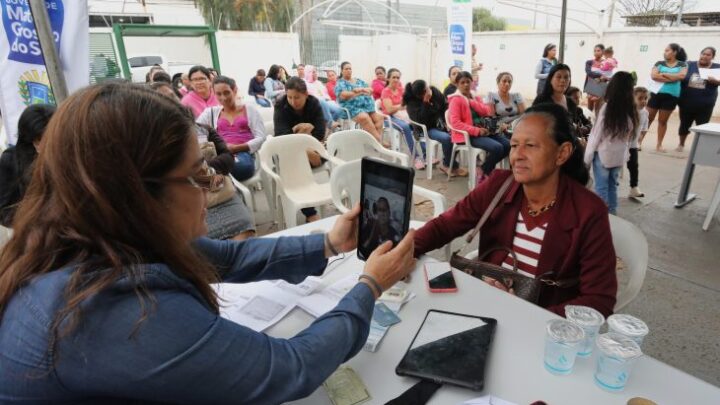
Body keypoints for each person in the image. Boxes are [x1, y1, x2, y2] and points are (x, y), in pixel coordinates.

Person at [0, 82, 418, 403]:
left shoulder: (95, 236)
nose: (213, 188)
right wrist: (369, 287)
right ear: (139, 194)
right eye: (197, 175)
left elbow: (231, 256)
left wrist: (328, 242)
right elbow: (291, 367)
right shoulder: (109, 313)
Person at [414, 102, 617, 318]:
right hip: (484, 308)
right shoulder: (499, 185)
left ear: (562, 153)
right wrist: (401, 251)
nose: (517, 155)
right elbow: (445, 226)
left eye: (530, 145)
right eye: (513, 145)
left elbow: (599, 300)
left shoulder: (588, 211)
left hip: (541, 328)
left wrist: (523, 315)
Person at [153, 82, 256, 241]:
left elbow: (227, 157)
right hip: (188, 202)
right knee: (202, 248)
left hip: (220, 194)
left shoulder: (203, 128)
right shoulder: (153, 141)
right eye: (162, 99)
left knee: (244, 232)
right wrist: (202, 174)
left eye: (172, 96)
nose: (170, 102)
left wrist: (199, 172)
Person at [273, 77, 328, 223]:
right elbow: (281, 136)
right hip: (287, 151)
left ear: (306, 95)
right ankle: (310, 213)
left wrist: (301, 136)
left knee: (310, 157)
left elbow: (320, 133)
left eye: (297, 97)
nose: (293, 101)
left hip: (311, 146)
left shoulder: (314, 103)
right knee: (295, 163)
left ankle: (309, 208)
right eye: (289, 97)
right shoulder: (280, 105)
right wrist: (304, 131)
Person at [584, 72, 638, 215]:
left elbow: (596, 136)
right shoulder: (631, 110)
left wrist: (587, 158)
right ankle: (612, 214)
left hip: (603, 156)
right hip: (618, 157)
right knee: (612, 186)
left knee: (601, 188)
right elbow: (630, 137)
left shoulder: (607, 108)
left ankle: (602, 217)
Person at [196, 76, 266, 182]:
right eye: (218, 94)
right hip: (222, 153)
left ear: (234, 90)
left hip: (243, 153)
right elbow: (195, 129)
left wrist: (236, 148)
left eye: (226, 92)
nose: (223, 98)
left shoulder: (249, 110)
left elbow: (261, 137)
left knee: (241, 167)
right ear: (214, 94)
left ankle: (217, 181)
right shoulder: (211, 112)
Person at [448, 71, 510, 184]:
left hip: (485, 130)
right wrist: (476, 131)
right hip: (468, 135)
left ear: (472, 83)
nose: (466, 85)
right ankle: (484, 171)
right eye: (462, 82)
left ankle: (484, 168)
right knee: (497, 148)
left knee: (508, 145)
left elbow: (486, 111)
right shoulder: (455, 100)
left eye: (468, 82)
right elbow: (455, 123)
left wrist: (471, 102)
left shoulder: (475, 97)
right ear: (457, 84)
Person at [0, 104, 55, 227]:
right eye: (40, 140)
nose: (46, 144)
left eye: (50, 138)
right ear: (30, 140)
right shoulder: (11, 159)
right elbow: (4, 210)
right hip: (31, 231)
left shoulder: (66, 154)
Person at [403, 79, 467, 177]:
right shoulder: (411, 102)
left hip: (439, 124)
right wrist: (425, 102)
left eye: (427, 89)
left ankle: (447, 163)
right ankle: (451, 166)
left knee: (458, 136)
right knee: (447, 138)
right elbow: (421, 121)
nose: (428, 93)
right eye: (423, 93)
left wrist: (447, 122)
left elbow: (444, 106)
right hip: (426, 129)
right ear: (419, 95)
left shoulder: (434, 91)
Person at [642, 43, 688, 152]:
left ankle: (659, 145)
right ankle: (638, 141)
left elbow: (681, 76)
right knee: (648, 119)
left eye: (667, 50)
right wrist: (672, 78)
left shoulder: (682, 64)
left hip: (671, 96)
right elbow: (653, 76)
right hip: (655, 94)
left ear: (675, 52)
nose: (665, 52)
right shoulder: (659, 63)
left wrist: (662, 75)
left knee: (663, 121)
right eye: (665, 50)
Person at [381, 68, 425, 169]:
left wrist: (400, 106)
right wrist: (401, 106)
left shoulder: (401, 90)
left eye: (398, 77)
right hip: (389, 118)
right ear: (388, 78)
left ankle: (426, 155)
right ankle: (416, 158)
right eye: (394, 77)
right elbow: (389, 109)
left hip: (402, 115)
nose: (396, 79)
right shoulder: (385, 91)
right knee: (405, 127)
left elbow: (409, 104)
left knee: (419, 125)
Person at [677, 46, 720, 152]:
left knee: (702, 125)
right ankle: (681, 144)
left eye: (708, 55)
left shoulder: (717, 67)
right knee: (684, 124)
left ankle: (698, 148)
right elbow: (679, 76)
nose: (704, 56)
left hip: (706, 104)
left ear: (712, 57)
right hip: (686, 102)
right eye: (703, 53)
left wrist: (716, 81)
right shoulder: (689, 65)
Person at [335, 62, 385, 143]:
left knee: (379, 118)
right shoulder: (340, 83)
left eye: (350, 69)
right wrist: (361, 91)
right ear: (342, 71)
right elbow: (343, 95)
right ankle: (379, 142)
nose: (348, 70)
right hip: (351, 108)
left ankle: (373, 142)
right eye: (346, 69)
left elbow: (370, 90)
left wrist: (361, 90)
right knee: (364, 117)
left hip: (367, 108)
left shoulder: (358, 81)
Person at [304, 65, 344, 129]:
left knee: (338, 109)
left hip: (325, 101)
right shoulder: (304, 83)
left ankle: (326, 127)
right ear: (308, 73)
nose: (315, 73)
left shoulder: (319, 83)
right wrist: (322, 98)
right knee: (321, 100)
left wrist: (327, 98)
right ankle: (330, 123)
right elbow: (309, 96)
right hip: (314, 103)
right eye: (313, 72)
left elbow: (325, 93)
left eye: (315, 72)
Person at [629, 87, 650, 199]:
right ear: (633, 99)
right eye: (640, 98)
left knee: (634, 166)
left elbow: (644, 129)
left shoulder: (645, 113)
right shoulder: (628, 111)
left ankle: (634, 187)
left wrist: (639, 140)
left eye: (646, 98)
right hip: (621, 145)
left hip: (633, 146)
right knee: (615, 166)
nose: (644, 101)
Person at [584, 44, 608, 114]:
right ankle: (589, 123)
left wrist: (603, 78)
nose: (596, 52)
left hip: (600, 85)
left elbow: (607, 76)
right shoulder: (589, 62)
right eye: (594, 51)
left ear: (603, 52)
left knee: (598, 109)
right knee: (589, 108)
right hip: (591, 85)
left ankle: (597, 123)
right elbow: (589, 73)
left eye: (598, 51)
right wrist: (600, 75)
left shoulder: (606, 63)